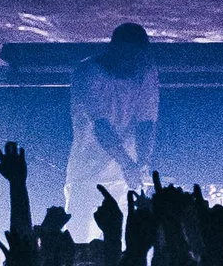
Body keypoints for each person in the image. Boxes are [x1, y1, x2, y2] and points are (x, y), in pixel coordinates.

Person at [66, 21, 160, 224]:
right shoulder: (88, 72)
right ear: (113, 49)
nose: (132, 62)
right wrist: (129, 165)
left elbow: (146, 123)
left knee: (129, 241)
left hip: (128, 177)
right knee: (79, 237)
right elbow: (101, 126)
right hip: (87, 174)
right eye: (127, 55)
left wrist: (142, 163)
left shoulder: (145, 72)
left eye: (137, 57)